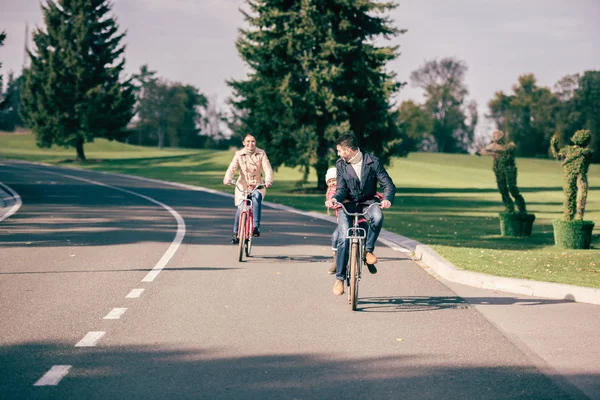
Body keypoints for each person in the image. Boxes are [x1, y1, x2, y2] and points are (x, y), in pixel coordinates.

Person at [324, 133, 395, 296]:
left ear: (349, 150)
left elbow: (388, 184)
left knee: (377, 218)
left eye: (340, 150)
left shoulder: (373, 162)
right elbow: (341, 189)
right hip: (347, 203)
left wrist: (387, 199)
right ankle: (340, 279)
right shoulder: (341, 164)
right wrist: (335, 199)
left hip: (368, 202)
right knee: (343, 237)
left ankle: (368, 250)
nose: (338, 154)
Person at [223, 134, 273, 244]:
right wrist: (227, 179)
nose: (251, 144)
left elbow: (267, 169)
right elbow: (232, 168)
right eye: (248, 141)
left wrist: (268, 180)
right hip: (243, 184)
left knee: (256, 197)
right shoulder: (239, 154)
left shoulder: (261, 153)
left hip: (257, 184)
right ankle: (236, 233)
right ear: (244, 143)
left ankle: (256, 226)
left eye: (253, 141)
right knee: (241, 207)